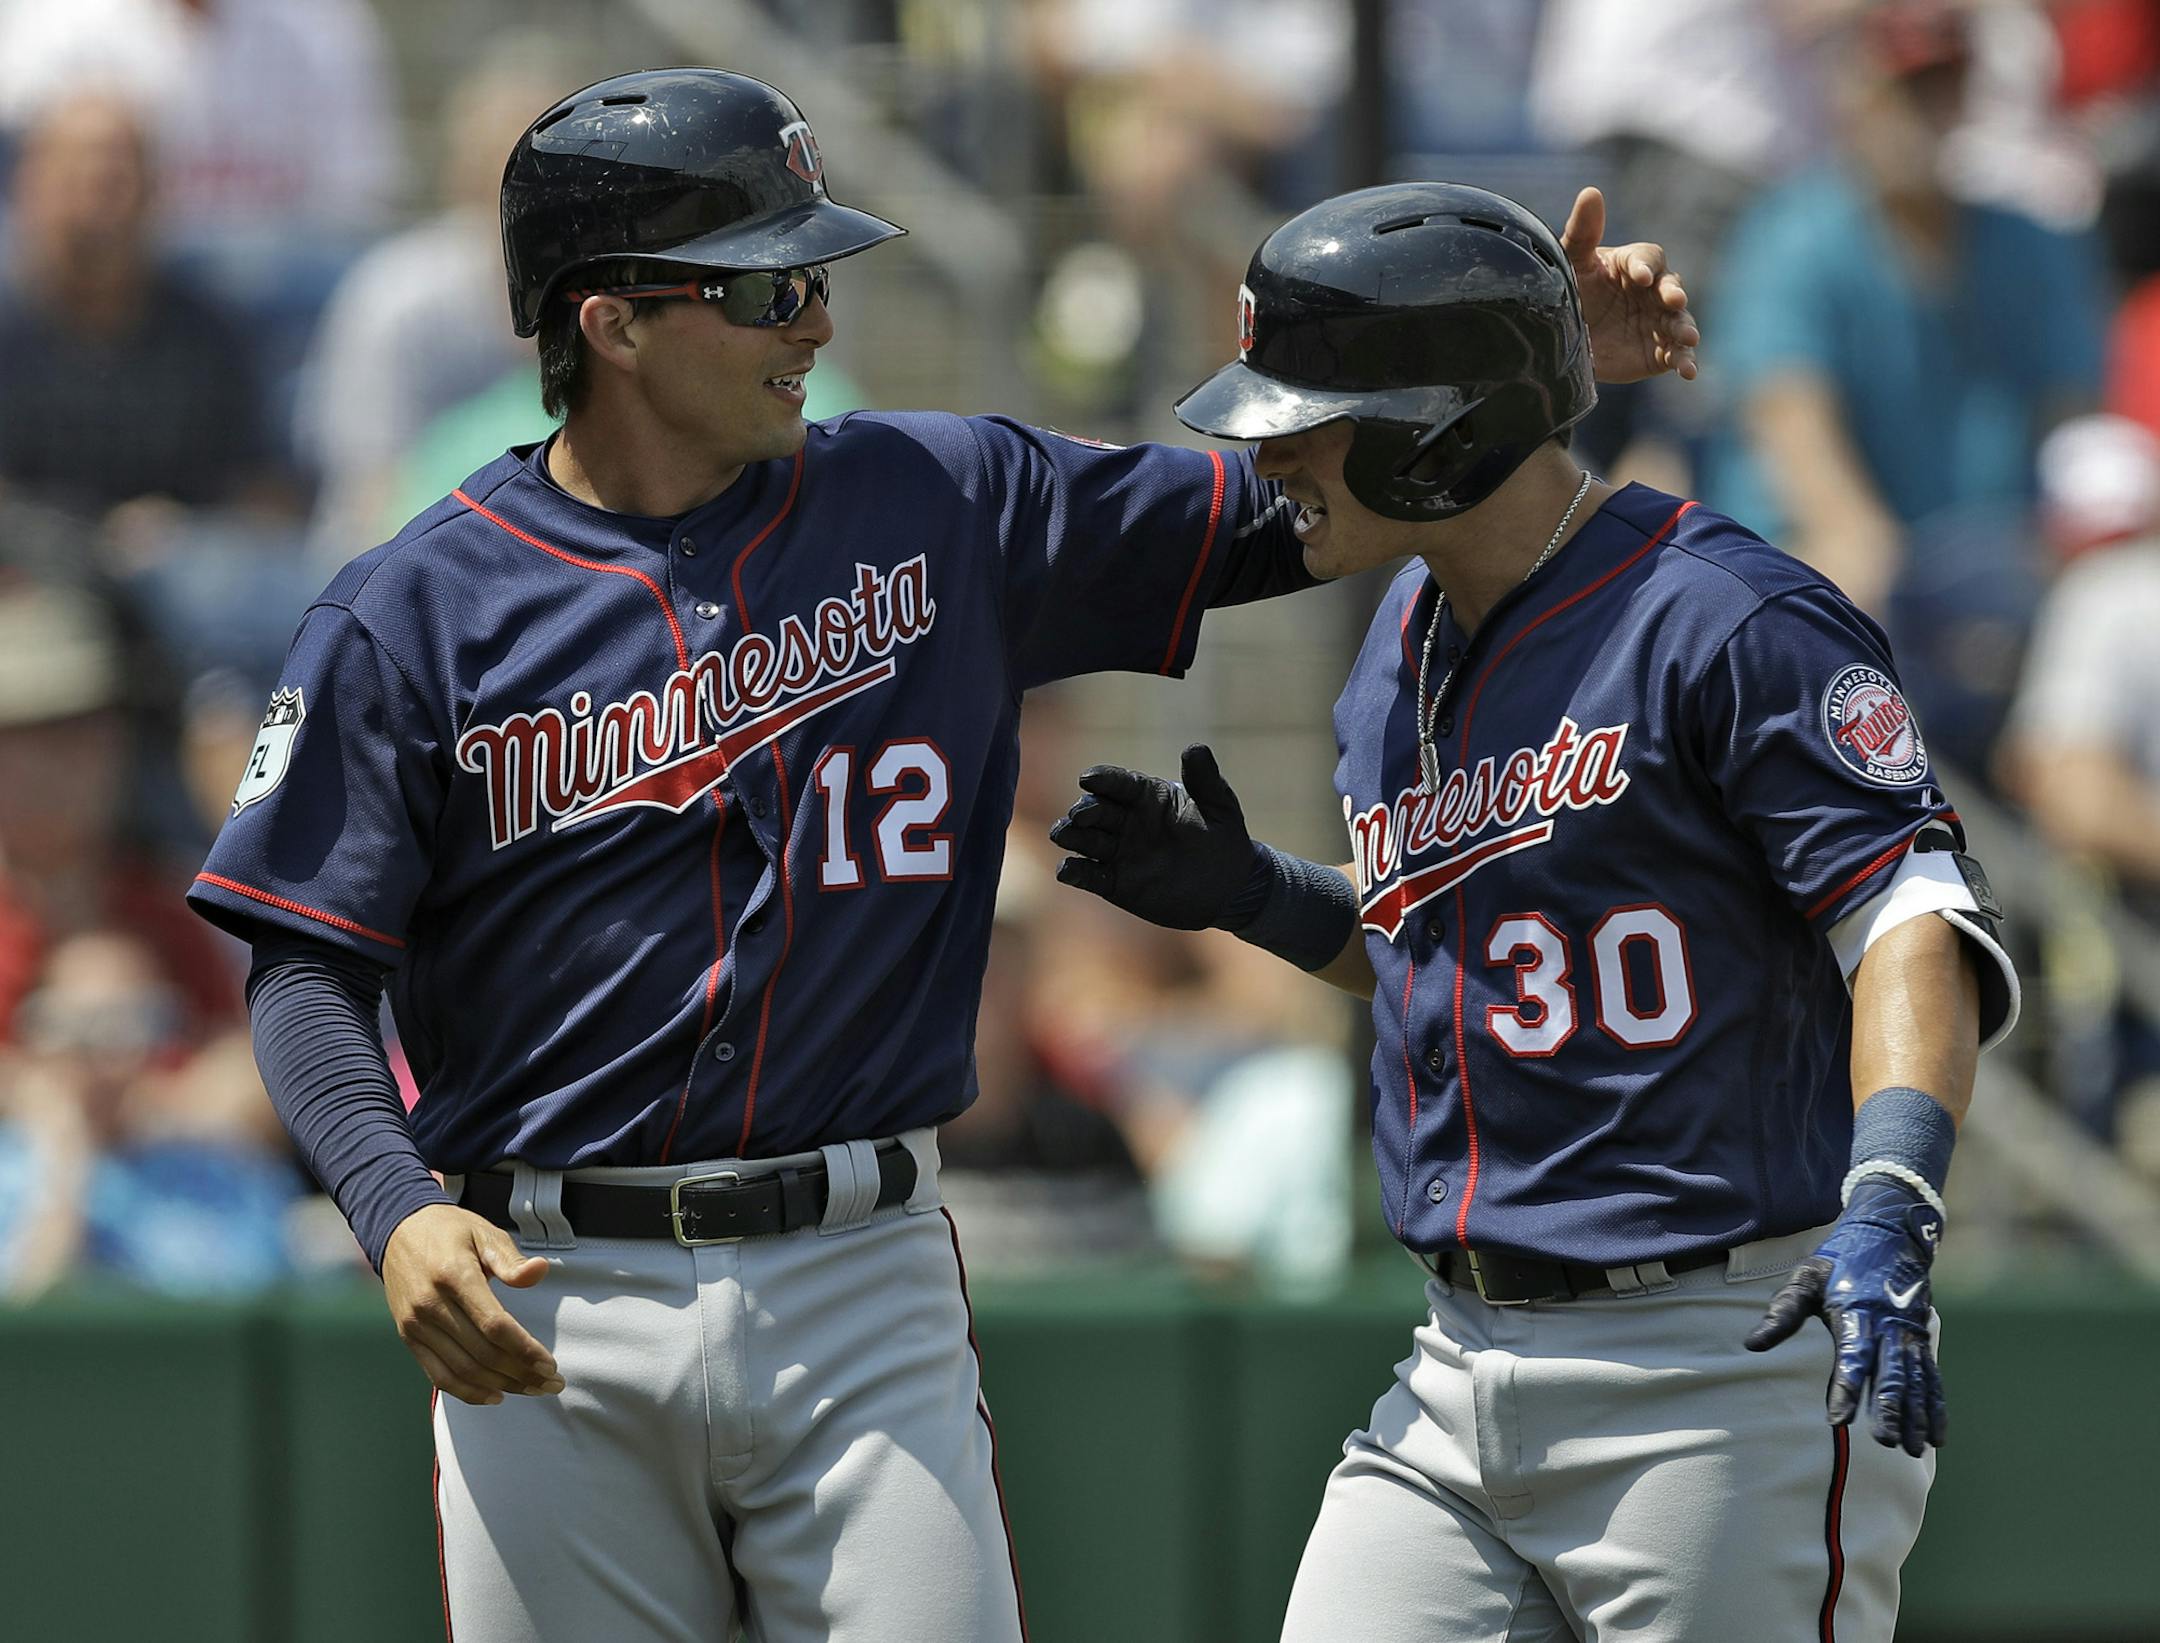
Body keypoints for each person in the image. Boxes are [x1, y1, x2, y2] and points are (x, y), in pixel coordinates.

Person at [183, 68, 1697, 1643]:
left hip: (862, 1276)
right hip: (555, 1288)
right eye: (769, 285)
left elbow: (1287, 510)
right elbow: (304, 962)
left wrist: (1504, 367)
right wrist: (389, 1203)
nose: (816, 324)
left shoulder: (941, 499)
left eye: (817, 278)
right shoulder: (413, 609)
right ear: (613, 320)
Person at [1049, 181, 2018, 1641]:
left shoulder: (1729, 616)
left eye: (1311, 414)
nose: (1274, 454)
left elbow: (1909, 919)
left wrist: (1895, 1194)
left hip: (1720, 1357)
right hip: (1455, 1359)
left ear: (1440, 430)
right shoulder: (1399, 641)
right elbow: (1458, 960)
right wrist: (1259, 900)